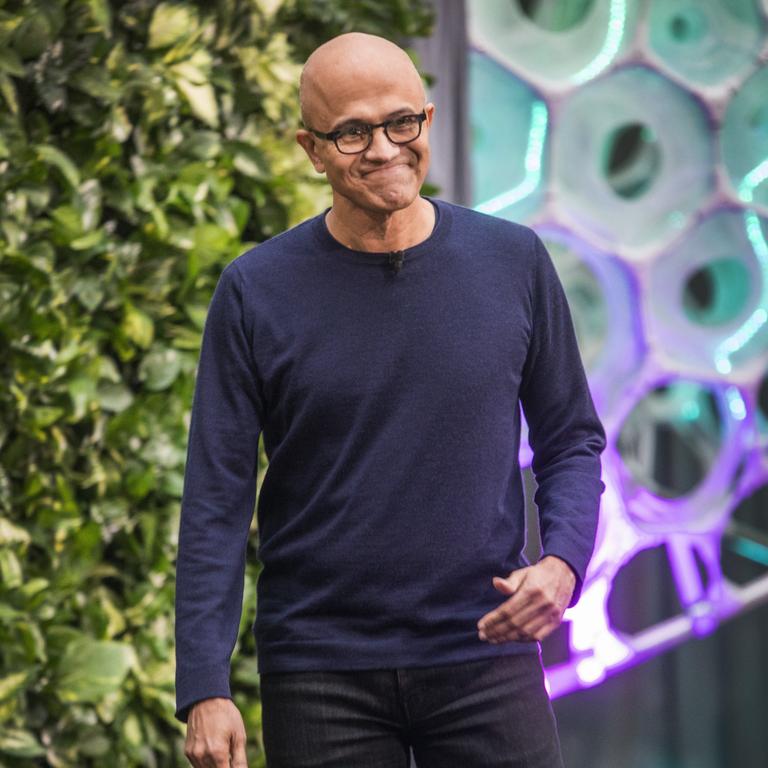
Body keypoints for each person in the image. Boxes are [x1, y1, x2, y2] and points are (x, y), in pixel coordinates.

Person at [175, 31, 606, 768]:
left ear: (428, 120)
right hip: (320, 671)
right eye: (352, 132)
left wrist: (563, 562)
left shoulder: (514, 262)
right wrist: (204, 686)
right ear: (312, 149)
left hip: (486, 648)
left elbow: (571, 439)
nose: (382, 148)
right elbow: (218, 499)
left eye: (400, 122)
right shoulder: (254, 292)